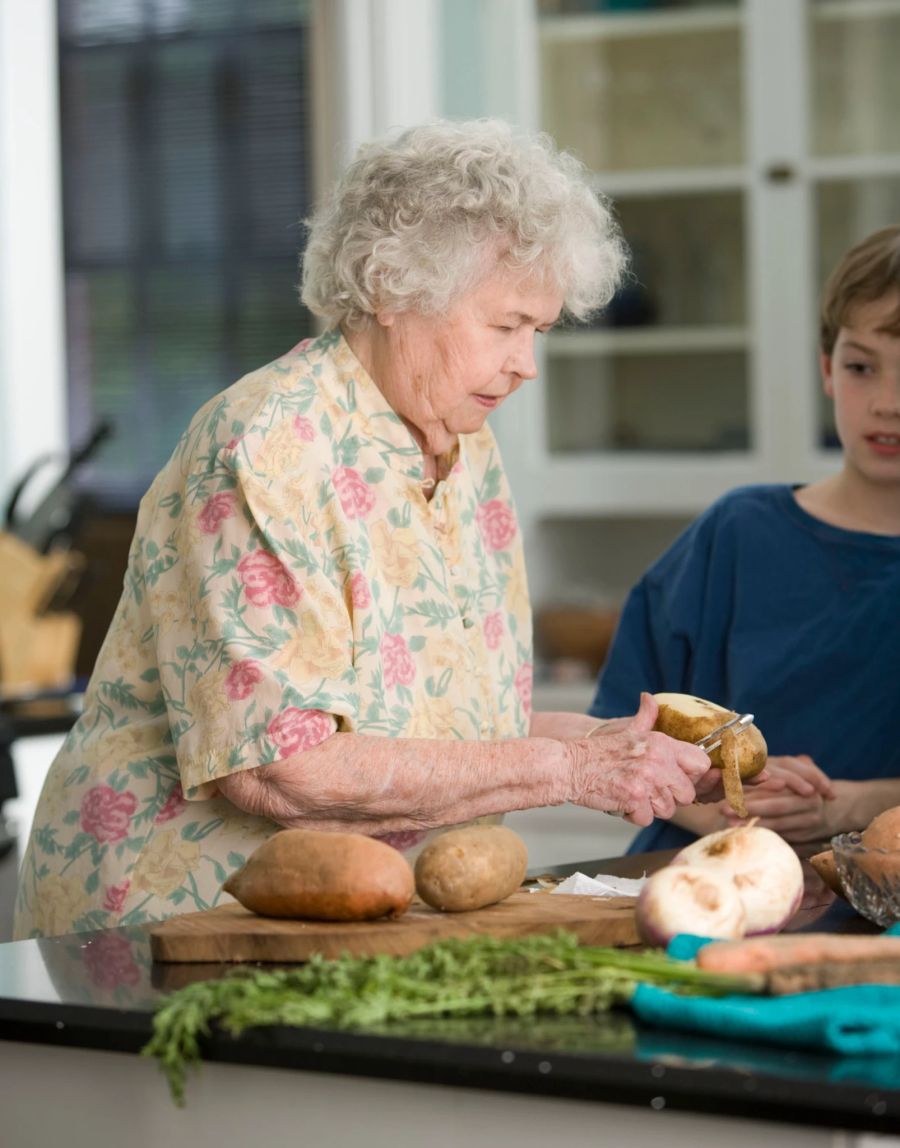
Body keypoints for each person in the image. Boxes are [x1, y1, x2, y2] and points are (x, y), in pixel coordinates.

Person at [15, 119, 726, 939]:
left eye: (540, 330)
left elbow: (453, 721)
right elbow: (282, 768)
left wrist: (628, 749)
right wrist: (570, 767)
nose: (528, 363)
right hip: (171, 927)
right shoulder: (269, 445)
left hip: (369, 918)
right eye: (505, 327)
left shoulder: (465, 446)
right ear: (394, 292)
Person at [591, 224, 900, 857]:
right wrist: (732, 811)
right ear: (827, 370)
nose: (888, 403)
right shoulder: (736, 534)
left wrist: (850, 807)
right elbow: (613, 738)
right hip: (698, 893)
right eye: (862, 367)